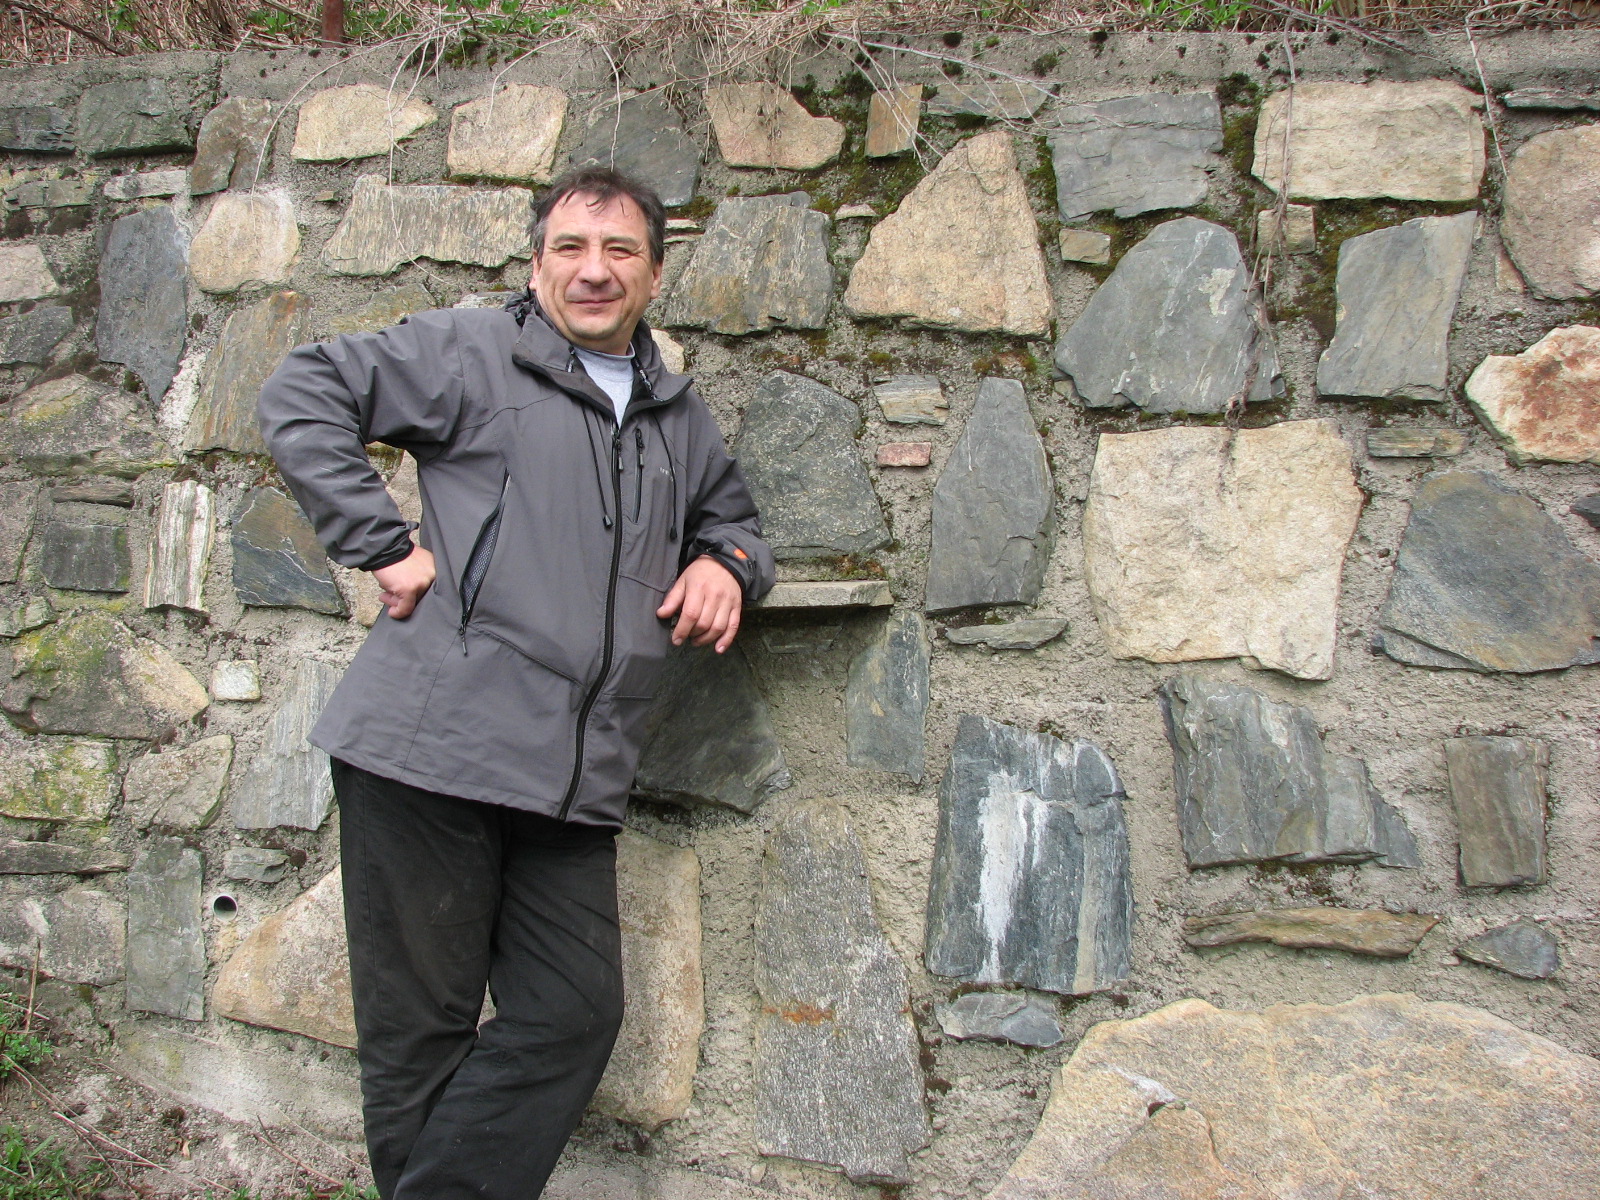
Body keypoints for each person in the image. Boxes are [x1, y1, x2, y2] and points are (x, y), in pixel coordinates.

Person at [257, 167, 775, 1200]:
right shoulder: (471, 354)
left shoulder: (678, 417)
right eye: (571, 248)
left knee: (574, 1012)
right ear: (537, 265)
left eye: (619, 250)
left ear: (654, 274)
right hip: (430, 752)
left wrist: (725, 565)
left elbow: (736, 524)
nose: (594, 270)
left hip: (575, 782)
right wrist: (380, 542)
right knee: (423, 1033)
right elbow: (303, 390)